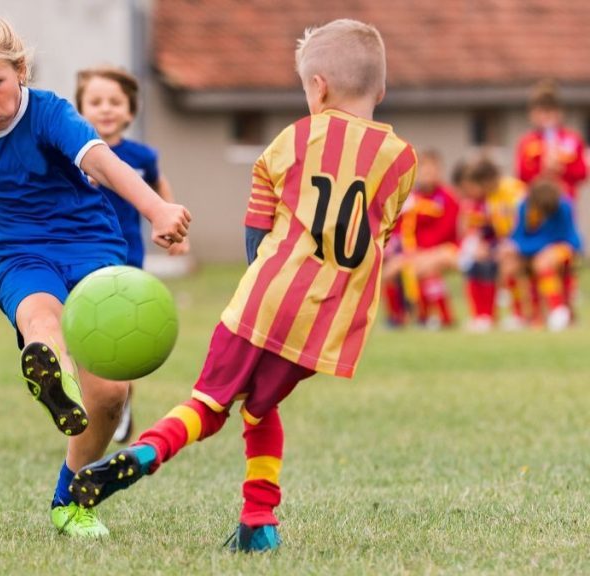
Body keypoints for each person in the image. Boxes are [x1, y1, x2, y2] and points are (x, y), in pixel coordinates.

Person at [68, 19, 417, 552]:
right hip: (327, 321)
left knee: (208, 404)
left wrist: (260, 275)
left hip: (265, 300)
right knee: (259, 409)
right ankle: (260, 522)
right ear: (382, 89)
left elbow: (258, 222)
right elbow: (381, 234)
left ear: (317, 87)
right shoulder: (402, 160)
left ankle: (144, 452)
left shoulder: (297, 137)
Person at [0, 13, 191, 538]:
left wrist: (157, 209)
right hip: (19, 254)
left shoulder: (50, 113)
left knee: (113, 395)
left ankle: (71, 499)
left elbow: (101, 161)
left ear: (20, 70)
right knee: (40, 316)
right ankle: (49, 369)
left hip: (91, 249)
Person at [74, 66, 190, 444]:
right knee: (84, 337)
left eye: (115, 102)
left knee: (122, 338)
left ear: (130, 111)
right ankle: (89, 401)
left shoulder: (141, 156)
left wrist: (173, 226)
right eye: (95, 102)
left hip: (127, 262)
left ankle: (120, 402)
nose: (105, 109)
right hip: (79, 257)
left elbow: (158, 184)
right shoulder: (72, 154)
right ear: (80, 110)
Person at [382, 149, 460, 328]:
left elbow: (446, 231)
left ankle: (439, 316)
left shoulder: (448, 198)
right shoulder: (409, 198)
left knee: (422, 268)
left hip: (445, 249)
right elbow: (398, 228)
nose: (428, 175)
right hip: (413, 252)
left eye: (433, 171)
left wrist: (420, 251)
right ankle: (398, 317)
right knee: (391, 270)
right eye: (424, 171)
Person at [499, 178, 582, 331]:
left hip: (565, 246)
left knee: (543, 261)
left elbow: (554, 237)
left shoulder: (563, 206)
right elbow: (518, 235)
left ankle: (558, 311)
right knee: (509, 264)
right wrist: (511, 245)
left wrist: (521, 247)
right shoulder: (525, 206)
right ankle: (520, 316)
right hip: (535, 250)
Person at [455, 156, 525, 330]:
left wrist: (511, 244)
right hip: (503, 243)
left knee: (507, 263)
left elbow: (525, 221)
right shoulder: (490, 197)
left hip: (521, 242)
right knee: (475, 263)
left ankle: (519, 315)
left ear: (487, 180)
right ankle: (483, 316)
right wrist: (482, 244)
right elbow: (491, 227)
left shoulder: (513, 189)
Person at [515, 80, 587, 202]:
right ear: (532, 114)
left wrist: (563, 169)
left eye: (550, 111)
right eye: (540, 112)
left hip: (565, 200)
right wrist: (542, 169)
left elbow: (582, 173)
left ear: (560, 112)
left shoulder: (572, 140)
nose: (545, 117)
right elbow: (521, 175)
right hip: (536, 202)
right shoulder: (527, 142)